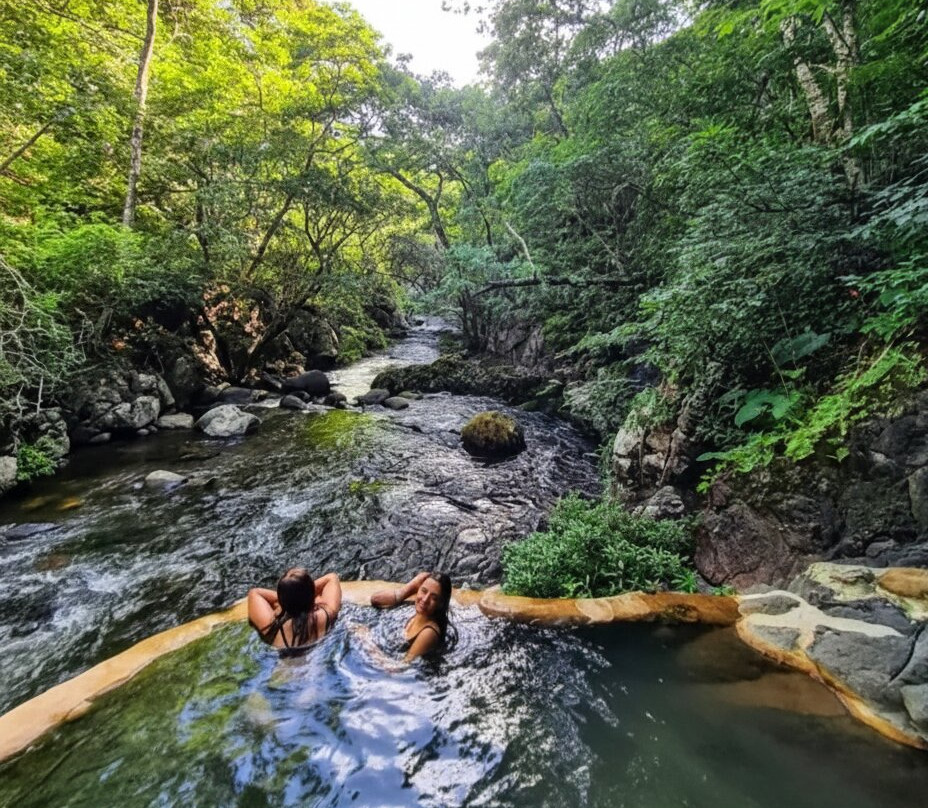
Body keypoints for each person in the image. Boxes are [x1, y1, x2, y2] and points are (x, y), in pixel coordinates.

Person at [248, 568, 342, 656]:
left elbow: (255, 593)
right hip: (319, 656)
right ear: (312, 594)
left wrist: (289, 597)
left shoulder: (273, 629)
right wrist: (303, 594)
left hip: (286, 667)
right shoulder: (326, 615)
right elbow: (332, 578)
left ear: (281, 600)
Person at [370, 571, 455, 661]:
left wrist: (368, 644)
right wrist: (410, 587)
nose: (425, 599)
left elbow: (400, 668)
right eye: (423, 591)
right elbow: (375, 599)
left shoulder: (429, 633)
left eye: (433, 598)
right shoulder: (416, 612)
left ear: (440, 603)